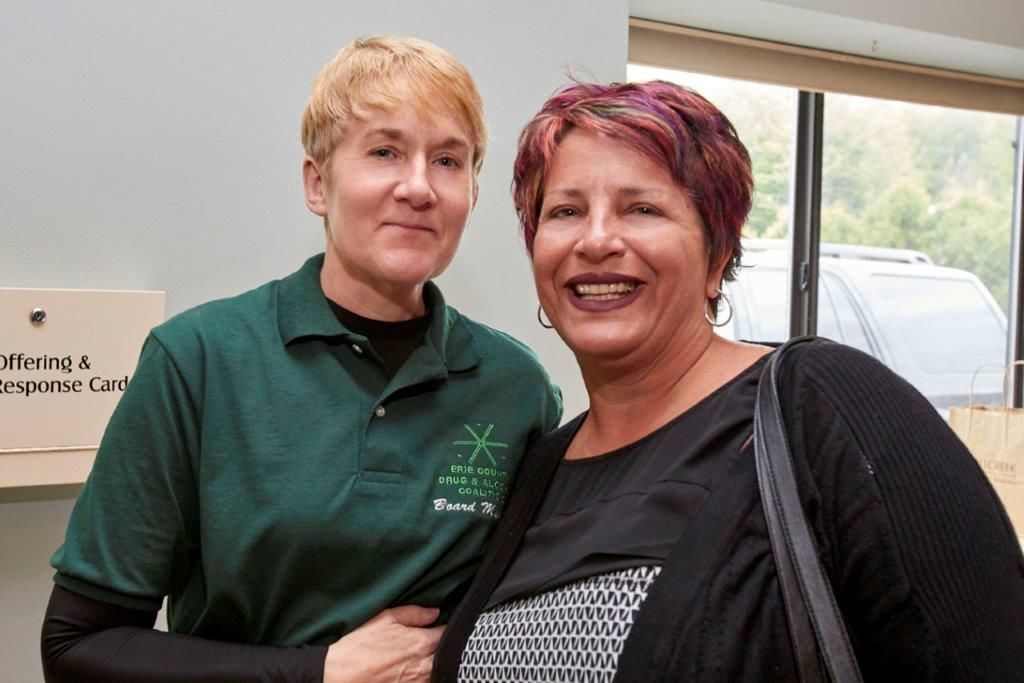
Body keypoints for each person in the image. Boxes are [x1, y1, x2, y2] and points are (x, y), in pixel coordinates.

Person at [432, 81, 1024, 681]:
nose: (597, 240)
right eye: (566, 212)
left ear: (717, 256)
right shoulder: (537, 469)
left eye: (642, 209)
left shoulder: (820, 409)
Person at [41, 36, 561, 682]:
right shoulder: (198, 361)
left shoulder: (516, 390)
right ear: (318, 184)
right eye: (384, 151)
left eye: (448, 160)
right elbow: (77, 647)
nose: (419, 187)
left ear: (472, 193)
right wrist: (319, 672)